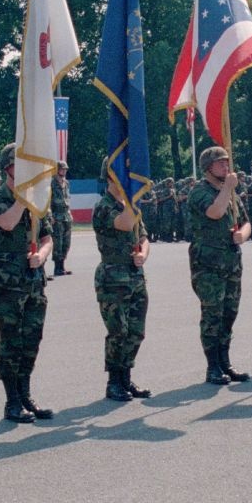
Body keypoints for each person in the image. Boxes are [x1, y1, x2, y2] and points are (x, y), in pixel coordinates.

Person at [0, 143, 57, 423]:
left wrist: (42, 254)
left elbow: (48, 237)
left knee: (31, 340)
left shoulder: (37, 201)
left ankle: (25, 394)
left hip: (34, 280)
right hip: (8, 283)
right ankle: (12, 401)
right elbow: (7, 222)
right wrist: (25, 196)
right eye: (20, 165)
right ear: (7, 168)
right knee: (11, 341)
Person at [186, 146, 252, 385]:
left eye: (227, 163)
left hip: (231, 261)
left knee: (229, 314)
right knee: (212, 314)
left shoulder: (230, 191)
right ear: (208, 168)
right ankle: (212, 366)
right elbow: (215, 212)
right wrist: (227, 188)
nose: (226, 167)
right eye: (220, 163)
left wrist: (242, 236)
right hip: (208, 264)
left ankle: (226, 362)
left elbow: (246, 223)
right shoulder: (199, 192)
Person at [92, 157, 151, 401]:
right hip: (113, 277)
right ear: (111, 175)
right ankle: (114, 382)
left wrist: (142, 254)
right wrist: (132, 200)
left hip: (135, 276)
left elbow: (144, 236)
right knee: (119, 331)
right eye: (124, 172)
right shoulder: (104, 206)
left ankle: (127, 378)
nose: (128, 176)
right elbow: (126, 224)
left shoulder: (131, 204)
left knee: (136, 332)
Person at [50, 161, 73, 277]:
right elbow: (48, 201)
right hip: (56, 216)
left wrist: (69, 212)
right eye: (62, 169)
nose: (64, 171)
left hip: (66, 216)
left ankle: (63, 265)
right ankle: (57, 267)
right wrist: (51, 216)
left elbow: (67, 198)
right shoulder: (51, 184)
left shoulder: (66, 183)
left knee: (66, 242)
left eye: (65, 169)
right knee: (57, 242)